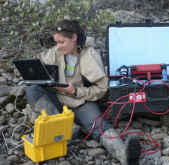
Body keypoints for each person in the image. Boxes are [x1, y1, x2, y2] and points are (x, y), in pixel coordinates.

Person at [25, 20, 142, 165]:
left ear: (74, 37)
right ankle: (64, 128)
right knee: (33, 91)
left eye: (62, 42)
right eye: (57, 42)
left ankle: (125, 156)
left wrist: (75, 91)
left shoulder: (90, 56)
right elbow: (40, 62)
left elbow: (101, 90)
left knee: (100, 127)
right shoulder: (57, 51)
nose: (59, 46)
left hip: (81, 102)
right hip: (57, 99)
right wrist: (34, 66)